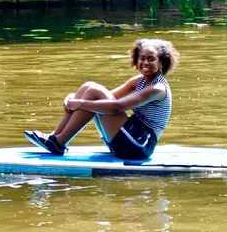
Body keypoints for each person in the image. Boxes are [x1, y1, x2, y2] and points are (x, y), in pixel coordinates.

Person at [25, 38, 179, 160]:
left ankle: (59, 143)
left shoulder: (157, 88)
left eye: (151, 59)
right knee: (89, 87)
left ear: (161, 64)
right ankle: (55, 138)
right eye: (142, 58)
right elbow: (102, 97)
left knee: (93, 91)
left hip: (140, 144)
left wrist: (80, 103)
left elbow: (115, 107)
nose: (145, 63)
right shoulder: (139, 80)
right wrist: (74, 98)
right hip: (131, 138)